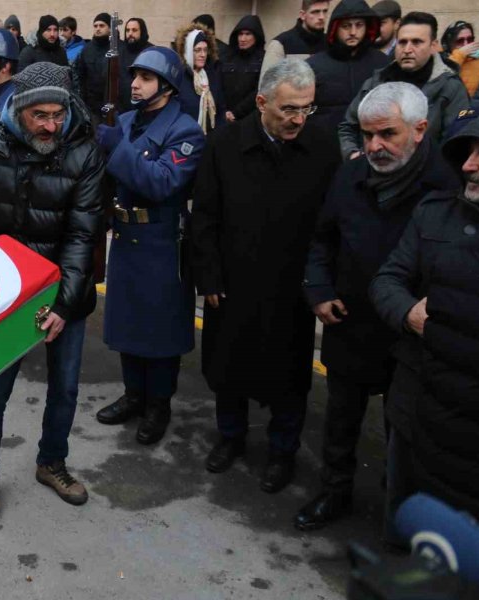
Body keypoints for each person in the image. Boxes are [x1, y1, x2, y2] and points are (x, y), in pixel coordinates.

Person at [0, 61, 104, 520]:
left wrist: (65, 303)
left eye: (59, 114)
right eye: (41, 116)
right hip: (2, 293)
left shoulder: (85, 151)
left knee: (65, 389)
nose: (52, 125)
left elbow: (81, 235)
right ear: (19, 108)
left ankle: (52, 463)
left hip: (63, 291)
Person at [295, 82, 458, 531]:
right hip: (350, 320)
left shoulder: (447, 185)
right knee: (341, 418)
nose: (374, 146)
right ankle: (334, 492)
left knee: (403, 432)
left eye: (387, 134)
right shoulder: (350, 175)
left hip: (413, 335)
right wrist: (319, 289)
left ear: (420, 129)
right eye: (367, 135)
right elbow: (322, 238)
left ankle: (398, 515)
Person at [191, 59, 340, 494]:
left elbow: (331, 225)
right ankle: (231, 436)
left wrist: (320, 282)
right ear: (261, 102)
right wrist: (210, 276)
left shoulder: (322, 147)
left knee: (289, 374)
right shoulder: (225, 145)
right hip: (233, 282)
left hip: (292, 286)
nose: (297, 119)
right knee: (228, 364)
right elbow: (205, 216)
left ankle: (282, 451)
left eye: (306, 109)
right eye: (289, 109)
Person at [370, 107, 479, 532]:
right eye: (468, 153)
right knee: (405, 517)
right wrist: (408, 314)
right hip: (417, 398)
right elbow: (388, 279)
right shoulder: (435, 211)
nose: (469, 166)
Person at [95, 47, 205, 444]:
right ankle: (133, 396)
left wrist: (115, 148)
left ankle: (158, 405)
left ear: (168, 86)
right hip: (125, 236)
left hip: (161, 242)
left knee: (159, 334)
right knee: (128, 326)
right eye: (134, 76)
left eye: (145, 78)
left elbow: (162, 182)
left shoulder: (186, 131)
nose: (135, 84)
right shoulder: (124, 121)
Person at [339, 12, 469, 159]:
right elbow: (347, 126)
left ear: (433, 46)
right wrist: (353, 155)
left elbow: (456, 143)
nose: (407, 49)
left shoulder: (450, 88)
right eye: (402, 42)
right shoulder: (377, 82)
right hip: (373, 174)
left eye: (417, 42)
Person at [307, 0, 389, 137]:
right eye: (346, 26)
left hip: (370, 144)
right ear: (335, 28)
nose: (353, 32)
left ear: (367, 27)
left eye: (359, 25)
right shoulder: (314, 65)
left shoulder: (382, 63)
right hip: (324, 144)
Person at [174, 24, 227, 133]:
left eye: (205, 50)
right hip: (184, 138)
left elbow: (220, 110)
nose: (203, 54)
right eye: (197, 50)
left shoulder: (212, 77)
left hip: (210, 141)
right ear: (188, 52)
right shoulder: (179, 78)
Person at [261, 0, 330, 77]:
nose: (322, 17)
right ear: (302, 15)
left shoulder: (331, 42)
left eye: (325, 11)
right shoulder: (281, 44)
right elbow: (267, 85)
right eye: (315, 12)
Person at [220, 15, 265, 123]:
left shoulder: (263, 59)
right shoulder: (227, 57)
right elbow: (218, 85)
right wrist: (224, 111)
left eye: (247, 34)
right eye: (240, 34)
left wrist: (237, 113)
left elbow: (260, 90)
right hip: (224, 116)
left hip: (250, 118)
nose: (242, 39)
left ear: (256, 36)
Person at [76, 13, 112, 123]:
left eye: (102, 26)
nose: (98, 29)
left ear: (110, 28)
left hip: (115, 105)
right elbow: (81, 77)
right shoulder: (87, 50)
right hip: (93, 107)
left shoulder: (119, 48)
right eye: (95, 26)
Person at [441, 21, 479, 98]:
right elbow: (441, 79)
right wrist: (460, 54)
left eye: (470, 39)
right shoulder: (440, 59)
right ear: (449, 43)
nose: (466, 44)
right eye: (460, 41)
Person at [118, 18, 153, 113]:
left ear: (142, 32)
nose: (130, 33)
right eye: (127, 30)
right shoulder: (120, 51)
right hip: (121, 110)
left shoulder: (151, 52)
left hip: (144, 109)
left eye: (134, 30)